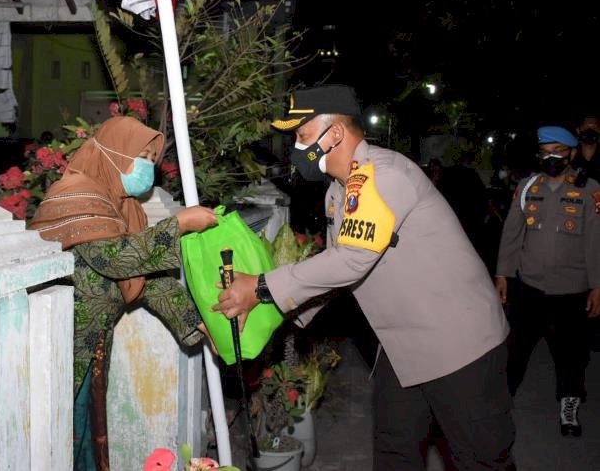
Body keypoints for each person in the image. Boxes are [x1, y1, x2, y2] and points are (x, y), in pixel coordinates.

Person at [213, 84, 515, 470]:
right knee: (394, 450)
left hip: (459, 345)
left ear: (334, 134)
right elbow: (336, 272)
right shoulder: (338, 193)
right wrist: (271, 314)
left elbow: (351, 260)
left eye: (302, 136)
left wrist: (260, 286)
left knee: (483, 458)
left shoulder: (383, 175)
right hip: (404, 345)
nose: (295, 148)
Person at [29, 116, 217, 470]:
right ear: (112, 153)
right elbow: (116, 259)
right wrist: (178, 225)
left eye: (151, 157)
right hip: (58, 347)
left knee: (84, 434)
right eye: (140, 155)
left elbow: (148, 279)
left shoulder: (121, 205)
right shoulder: (75, 196)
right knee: (59, 439)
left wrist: (200, 324)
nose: (147, 166)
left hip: (90, 346)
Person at [495, 125, 600, 437]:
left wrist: (598, 284)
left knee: (571, 355)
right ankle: (500, 404)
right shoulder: (528, 187)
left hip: (572, 289)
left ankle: (569, 406)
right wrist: (503, 273)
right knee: (516, 351)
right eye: (545, 153)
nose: (551, 158)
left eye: (557, 151)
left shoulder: (589, 189)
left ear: (570, 153)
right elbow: (512, 233)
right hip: (530, 287)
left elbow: (595, 240)